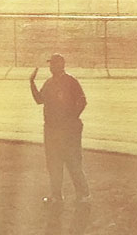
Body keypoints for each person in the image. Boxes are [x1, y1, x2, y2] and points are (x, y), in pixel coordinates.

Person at [29, 53, 91, 203]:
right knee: (53, 163)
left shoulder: (70, 81)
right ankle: (56, 195)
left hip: (68, 130)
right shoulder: (49, 83)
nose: (51, 67)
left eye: (54, 64)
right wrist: (31, 82)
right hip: (51, 129)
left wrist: (71, 120)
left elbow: (82, 101)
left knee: (73, 161)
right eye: (50, 64)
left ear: (61, 65)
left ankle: (84, 194)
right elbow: (39, 100)